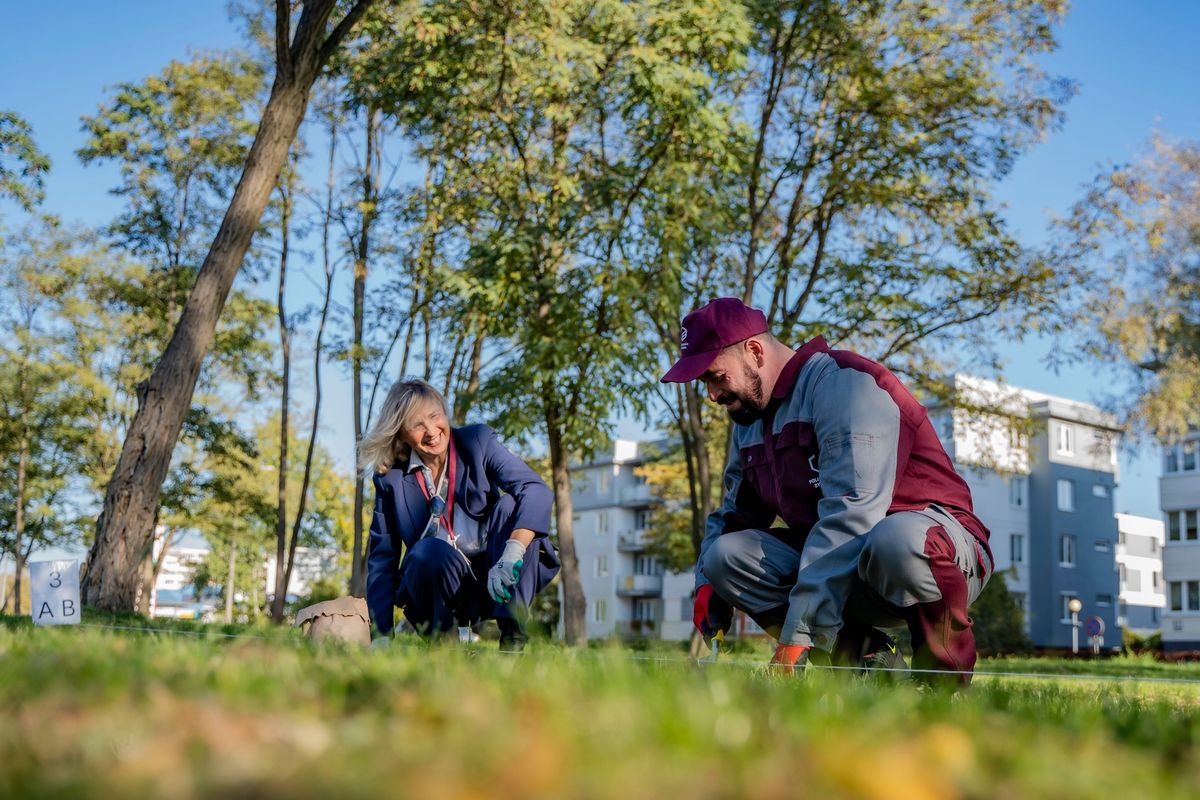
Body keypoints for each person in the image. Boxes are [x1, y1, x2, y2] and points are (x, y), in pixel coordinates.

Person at [661, 298, 992, 685]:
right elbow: (735, 515)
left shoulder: (846, 385)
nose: (712, 395)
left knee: (895, 539)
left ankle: (943, 686)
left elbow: (853, 512)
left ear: (754, 351)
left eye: (716, 377)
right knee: (725, 557)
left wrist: (798, 635)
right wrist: (707, 583)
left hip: (932, 553)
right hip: (846, 566)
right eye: (705, 383)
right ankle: (870, 666)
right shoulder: (748, 422)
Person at [361, 379, 560, 651]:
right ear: (401, 433)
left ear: (445, 412)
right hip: (440, 590)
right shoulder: (390, 479)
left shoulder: (476, 442)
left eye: (435, 416)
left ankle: (513, 642)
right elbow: (382, 558)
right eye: (417, 425)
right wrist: (381, 635)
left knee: (511, 505)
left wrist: (513, 550)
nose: (431, 431)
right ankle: (445, 650)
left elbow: (534, 489)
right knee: (425, 552)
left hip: (498, 575)